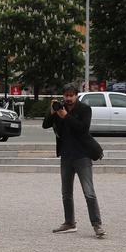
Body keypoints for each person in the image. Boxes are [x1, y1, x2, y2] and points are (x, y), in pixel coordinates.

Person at [44, 84, 105, 238]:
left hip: (82, 155)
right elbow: (45, 125)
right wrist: (52, 112)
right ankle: (69, 222)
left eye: (71, 95)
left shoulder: (85, 109)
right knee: (66, 193)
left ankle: (97, 225)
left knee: (89, 192)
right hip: (66, 156)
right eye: (66, 95)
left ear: (77, 95)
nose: (69, 98)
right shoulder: (59, 108)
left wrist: (65, 116)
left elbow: (83, 129)